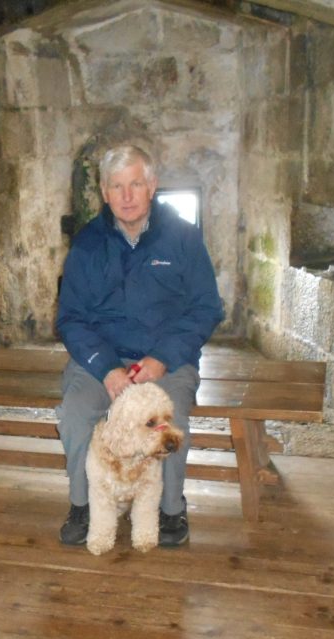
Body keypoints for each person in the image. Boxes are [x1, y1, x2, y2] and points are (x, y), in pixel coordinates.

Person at [55, 144, 224, 548]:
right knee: (77, 412)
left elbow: (207, 308)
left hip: (167, 359)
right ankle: (83, 505)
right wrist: (106, 368)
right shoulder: (87, 246)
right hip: (101, 361)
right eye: (117, 186)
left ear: (152, 186)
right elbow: (71, 318)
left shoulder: (184, 238)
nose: (127, 196)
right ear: (104, 191)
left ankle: (169, 510)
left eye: (136, 184)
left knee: (171, 416)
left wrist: (164, 357)